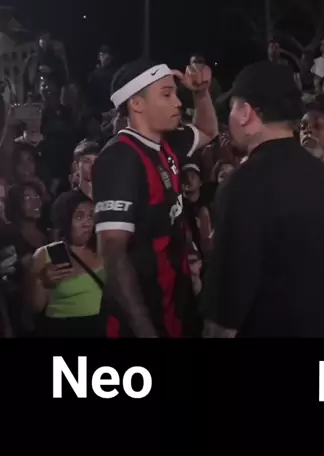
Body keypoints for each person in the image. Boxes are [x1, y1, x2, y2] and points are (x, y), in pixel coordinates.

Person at [202, 61, 324, 338]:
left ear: (245, 112)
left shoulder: (242, 185)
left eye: (233, 108)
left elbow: (225, 310)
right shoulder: (321, 175)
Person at [92, 57, 218, 338]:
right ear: (137, 103)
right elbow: (113, 253)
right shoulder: (120, 157)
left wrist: (201, 93)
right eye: (167, 94)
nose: (178, 102)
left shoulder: (166, 143)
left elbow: (208, 131)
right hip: (142, 320)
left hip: (176, 306)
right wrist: (145, 331)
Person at [26, 191, 104, 338]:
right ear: (65, 220)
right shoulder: (46, 254)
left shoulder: (102, 249)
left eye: (91, 216)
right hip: (62, 330)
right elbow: (35, 307)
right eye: (79, 217)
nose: (87, 223)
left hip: (100, 328)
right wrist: (42, 281)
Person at [22, 32, 67, 100]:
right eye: (42, 38)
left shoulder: (57, 60)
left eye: (47, 39)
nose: (44, 41)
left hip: (53, 96)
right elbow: (25, 78)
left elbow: (63, 78)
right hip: (35, 96)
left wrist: (51, 72)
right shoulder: (32, 59)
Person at [182, 163, 213, 257]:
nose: (188, 180)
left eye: (192, 176)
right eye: (185, 177)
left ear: (200, 182)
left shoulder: (209, 206)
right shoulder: (179, 209)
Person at [87, 45, 116, 117]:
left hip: (110, 108)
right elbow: (90, 92)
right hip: (97, 108)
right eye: (102, 55)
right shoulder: (94, 74)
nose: (104, 58)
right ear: (99, 57)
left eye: (107, 56)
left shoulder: (114, 73)